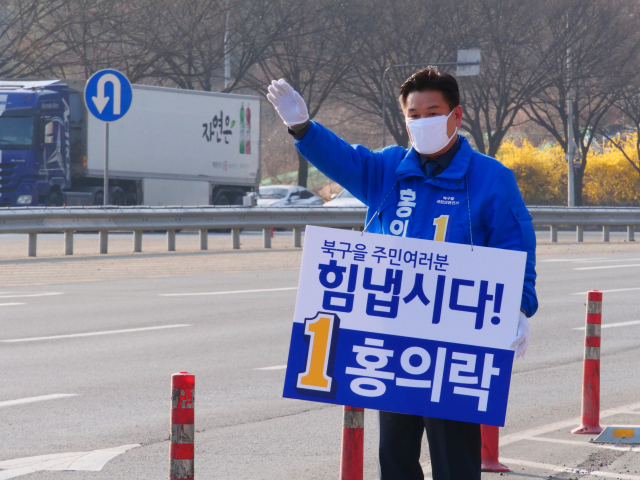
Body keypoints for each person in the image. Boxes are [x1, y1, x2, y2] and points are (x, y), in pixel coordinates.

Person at [267, 67, 537, 480]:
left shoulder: (490, 178)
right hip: (393, 340)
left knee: (454, 461)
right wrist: (302, 127)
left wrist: (517, 307)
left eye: (433, 112)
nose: (422, 122)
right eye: (414, 114)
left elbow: (515, 246)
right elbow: (341, 159)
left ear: (456, 116)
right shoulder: (388, 170)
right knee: (394, 457)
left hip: (456, 344)